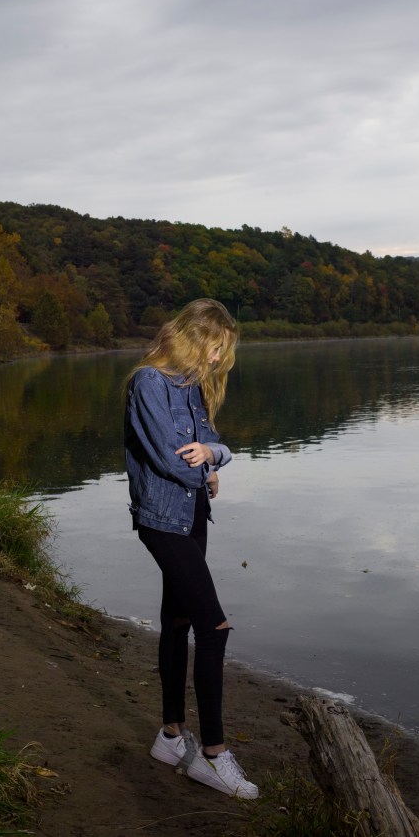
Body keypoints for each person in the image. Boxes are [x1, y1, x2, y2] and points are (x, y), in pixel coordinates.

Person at [123, 298, 258, 800]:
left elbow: (213, 444)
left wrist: (214, 456)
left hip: (194, 514)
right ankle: (215, 756)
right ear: (193, 338)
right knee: (214, 626)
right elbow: (171, 459)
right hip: (161, 520)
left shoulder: (193, 386)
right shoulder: (149, 383)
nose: (220, 359)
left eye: (225, 351)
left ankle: (169, 736)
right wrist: (209, 464)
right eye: (216, 347)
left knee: (178, 622)